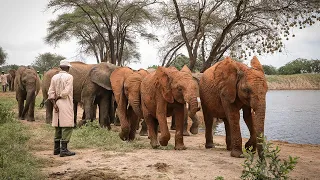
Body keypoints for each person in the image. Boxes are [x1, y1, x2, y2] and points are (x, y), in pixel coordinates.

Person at [48, 60, 75, 157]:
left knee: (58, 125)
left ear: (60, 67)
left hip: (56, 103)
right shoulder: (69, 77)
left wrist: (54, 103)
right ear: (68, 68)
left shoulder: (54, 77)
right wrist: (59, 97)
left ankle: (56, 149)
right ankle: (64, 150)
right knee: (67, 125)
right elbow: (66, 92)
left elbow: (50, 92)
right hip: (65, 102)